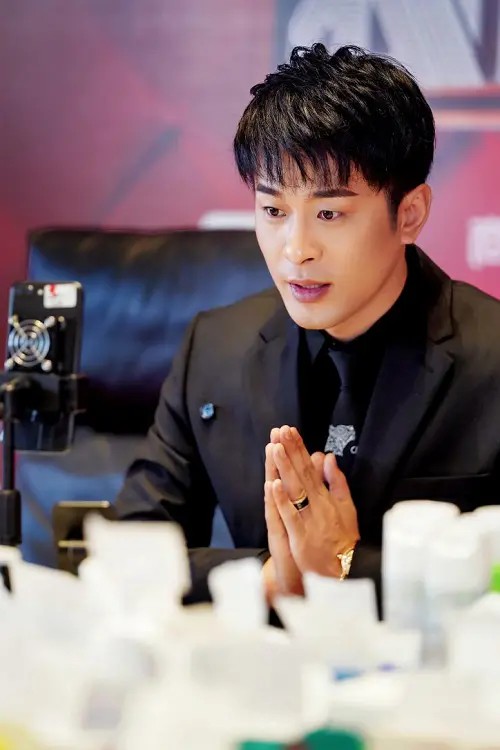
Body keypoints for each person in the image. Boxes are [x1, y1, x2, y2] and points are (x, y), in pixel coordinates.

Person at [115, 44, 500, 605]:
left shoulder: (491, 357)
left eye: (329, 213)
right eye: (273, 211)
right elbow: (129, 550)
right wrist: (273, 579)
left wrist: (347, 565)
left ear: (409, 214)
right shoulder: (214, 349)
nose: (296, 249)